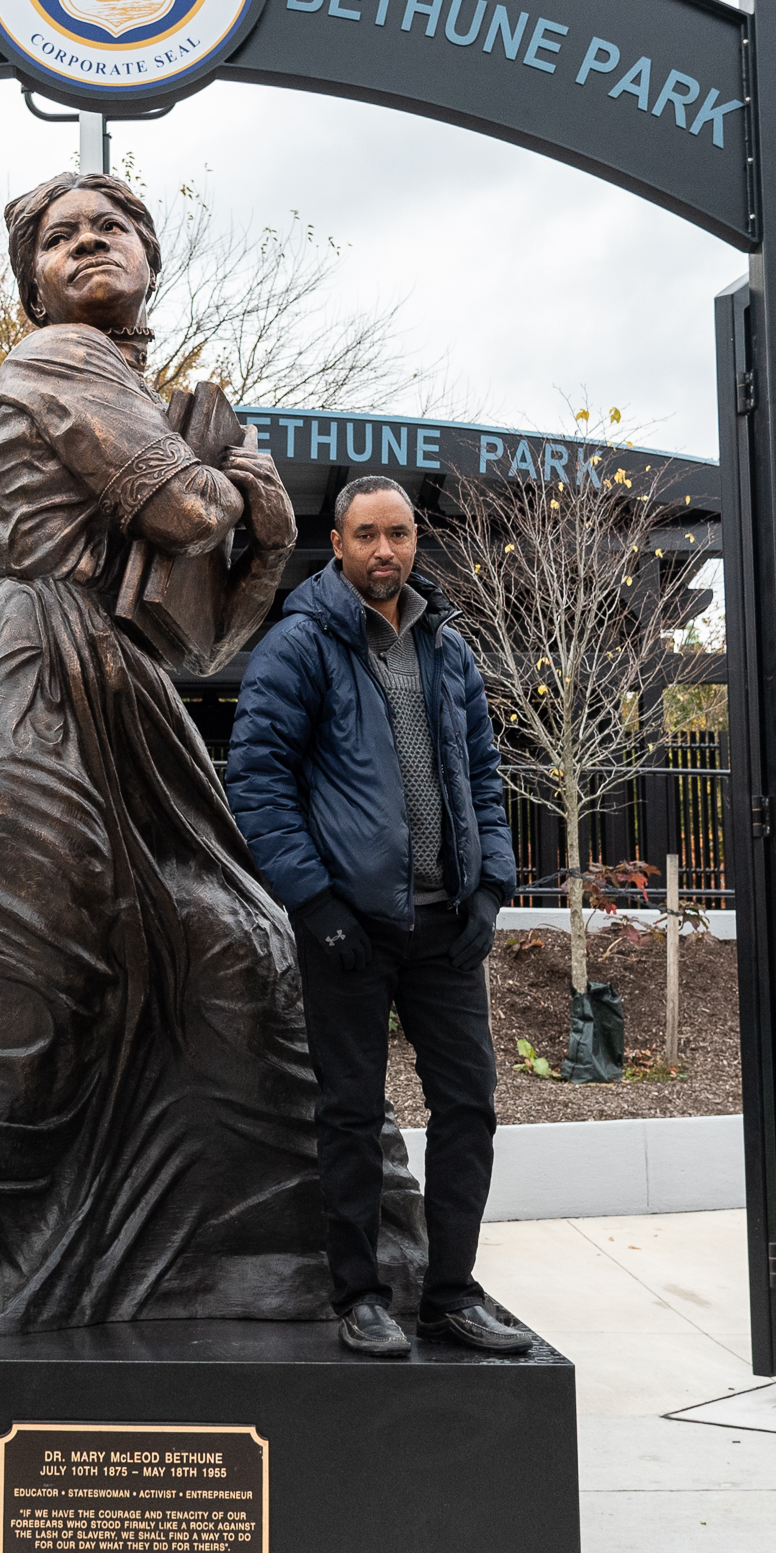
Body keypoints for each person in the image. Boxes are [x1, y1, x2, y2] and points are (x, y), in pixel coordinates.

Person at [0, 171, 361, 1334]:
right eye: (58, 239)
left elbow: (191, 623)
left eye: (109, 228)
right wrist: (240, 481)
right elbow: (186, 517)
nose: (86, 246)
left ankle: (229, 1245)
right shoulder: (61, 361)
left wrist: (234, 488)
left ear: (152, 258)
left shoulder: (122, 381)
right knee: (21, 991)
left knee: (218, 943)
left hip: (101, 688)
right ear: (33, 286)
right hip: (21, 702)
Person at [225, 474, 533, 1358]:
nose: (385, 550)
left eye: (398, 533)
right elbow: (258, 782)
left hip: (446, 928)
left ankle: (451, 1294)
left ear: (413, 540)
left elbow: (482, 775)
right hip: (348, 931)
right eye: (367, 534)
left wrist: (489, 889)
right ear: (339, 544)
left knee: (468, 1108)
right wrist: (313, 902)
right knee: (352, 1114)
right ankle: (359, 1295)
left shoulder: (449, 648)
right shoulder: (299, 645)